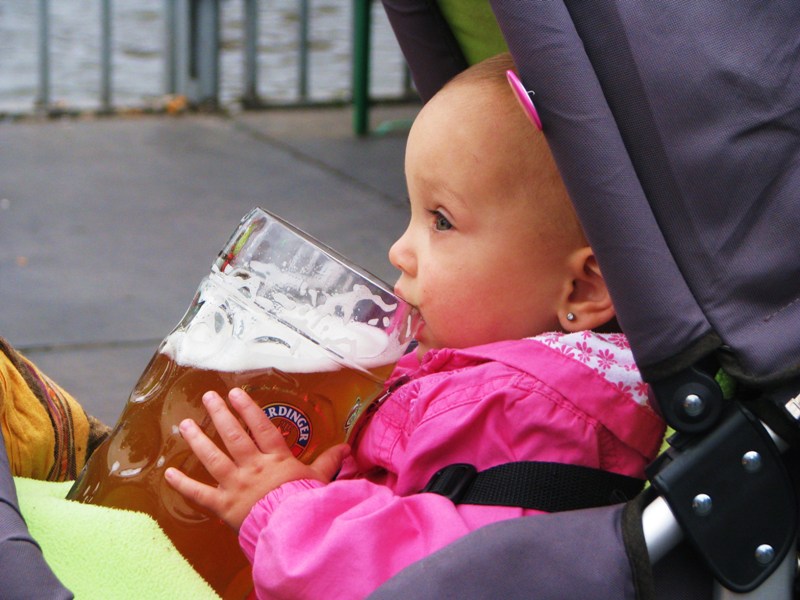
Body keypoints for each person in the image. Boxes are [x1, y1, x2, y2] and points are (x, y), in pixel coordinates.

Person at [164, 53, 666, 600]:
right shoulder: (485, 377)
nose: (400, 250)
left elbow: (457, 577)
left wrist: (286, 511)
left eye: (442, 221)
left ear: (582, 290)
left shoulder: (532, 416)